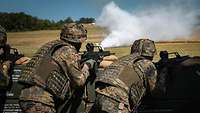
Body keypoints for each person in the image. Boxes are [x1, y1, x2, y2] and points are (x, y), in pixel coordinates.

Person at [18, 23, 96, 113]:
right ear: (77, 41)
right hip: (41, 102)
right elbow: (79, 81)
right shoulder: (68, 50)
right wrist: (88, 65)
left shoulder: (51, 46)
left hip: (27, 97)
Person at [93, 39, 157, 113]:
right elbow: (155, 92)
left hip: (99, 97)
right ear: (151, 54)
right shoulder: (147, 64)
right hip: (117, 102)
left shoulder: (122, 60)